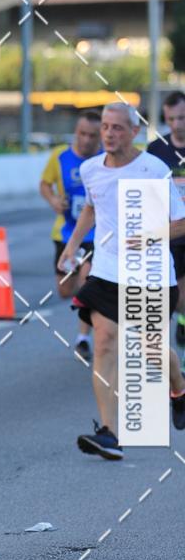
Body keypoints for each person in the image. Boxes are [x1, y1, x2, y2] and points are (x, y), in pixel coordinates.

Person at [59, 103, 185, 461]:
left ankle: (179, 388)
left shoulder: (153, 169)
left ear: (134, 131)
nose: (109, 134)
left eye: (117, 127)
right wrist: (71, 247)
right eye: (105, 126)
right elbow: (92, 207)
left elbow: (181, 221)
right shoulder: (91, 169)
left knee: (150, 349)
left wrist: (149, 236)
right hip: (107, 270)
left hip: (151, 272)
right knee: (103, 342)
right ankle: (109, 432)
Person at [40, 110, 102, 360]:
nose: (86, 140)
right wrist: (54, 200)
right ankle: (93, 297)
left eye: (92, 135)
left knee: (88, 279)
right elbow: (45, 184)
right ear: (76, 132)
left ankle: (83, 338)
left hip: (97, 233)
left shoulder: (105, 159)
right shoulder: (60, 156)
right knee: (65, 290)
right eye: (82, 134)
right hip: (65, 233)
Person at [147, 90, 185, 347]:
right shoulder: (156, 148)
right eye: (171, 119)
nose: (176, 124)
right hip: (170, 230)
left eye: (181, 118)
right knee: (175, 291)